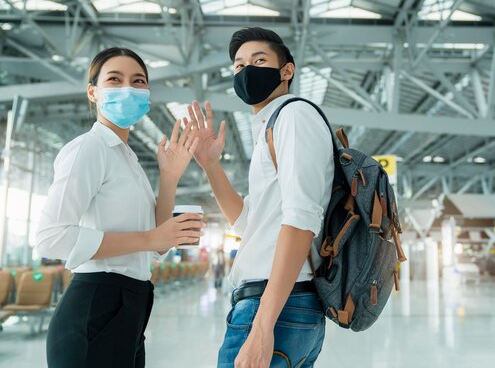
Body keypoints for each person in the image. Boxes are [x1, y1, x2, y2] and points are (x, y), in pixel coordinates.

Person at [36, 47, 205, 368]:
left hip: (130, 305)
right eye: (115, 80)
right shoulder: (89, 148)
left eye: (138, 81)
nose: (128, 88)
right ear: (93, 92)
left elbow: (157, 248)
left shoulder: (126, 159)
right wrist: (149, 240)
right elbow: (51, 237)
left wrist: (169, 179)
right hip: (97, 303)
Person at [184, 27, 334, 368]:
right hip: (277, 305)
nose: (246, 70)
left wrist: (263, 326)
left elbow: (301, 218)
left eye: (259, 60)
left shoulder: (294, 116)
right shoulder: (271, 125)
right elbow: (248, 223)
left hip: (274, 306)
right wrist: (211, 166)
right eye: (238, 66)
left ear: (286, 71)